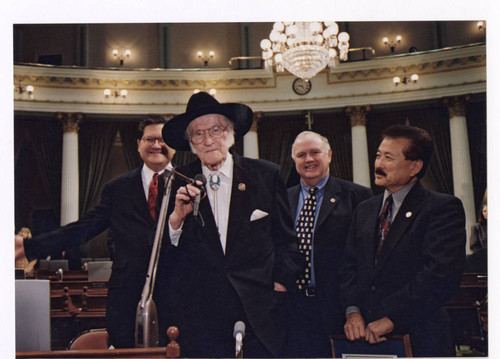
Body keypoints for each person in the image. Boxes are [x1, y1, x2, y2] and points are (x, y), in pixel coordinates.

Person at [156, 91, 302, 358]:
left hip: (260, 315)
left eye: (215, 129)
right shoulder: (175, 182)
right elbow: (162, 258)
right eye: (198, 134)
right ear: (190, 142)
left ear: (231, 133)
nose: (208, 139)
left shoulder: (265, 175)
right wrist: (175, 221)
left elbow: (287, 243)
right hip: (199, 319)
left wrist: (279, 288)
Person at [14, 114, 175, 348]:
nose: (157, 145)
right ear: (138, 144)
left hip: (178, 296)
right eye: (150, 139)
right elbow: (84, 228)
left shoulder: (189, 184)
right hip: (126, 299)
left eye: (163, 139)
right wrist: (30, 247)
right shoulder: (117, 188)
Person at [339, 124, 466, 357]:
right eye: (378, 155)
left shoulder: (442, 209)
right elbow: (349, 266)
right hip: (363, 337)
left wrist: (391, 317)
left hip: (420, 338)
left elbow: (440, 275)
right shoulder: (364, 210)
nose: (378, 164)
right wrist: (352, 310)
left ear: (414, 166)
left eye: (388, 157)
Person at [286, 131, 372, 357]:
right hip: (291, 311)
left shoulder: (359, 197)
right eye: (301, 155)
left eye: (315, 152)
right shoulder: (281, 199)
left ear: (329, 155)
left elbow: (363, 260)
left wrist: (354, 309)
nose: (309, 159)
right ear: (293, 160)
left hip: (339, 312)